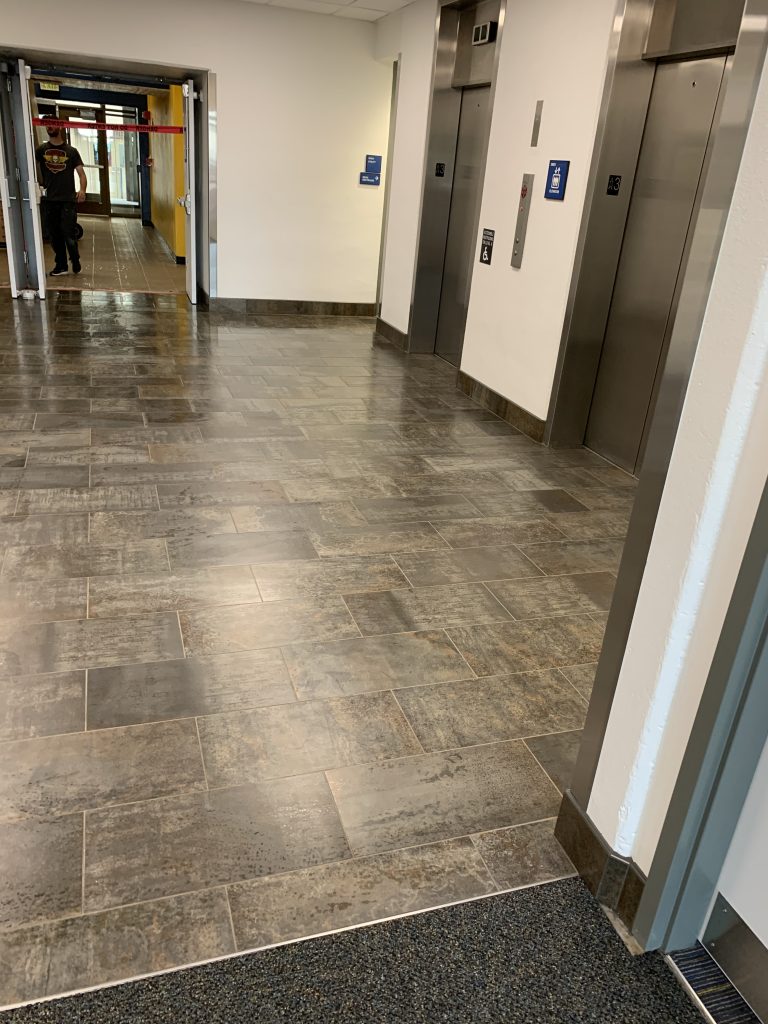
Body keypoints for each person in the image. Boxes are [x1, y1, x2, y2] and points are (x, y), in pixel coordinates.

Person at [35, 115, 87, 277]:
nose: (49, 127)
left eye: (52, 124)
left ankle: (75, 259)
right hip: (49, 200)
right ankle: (61, 265)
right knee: (54, 235)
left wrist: (82, 190)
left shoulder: (71, 151)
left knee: (68, 233)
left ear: (60, 126)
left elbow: (81, 173)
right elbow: (33, 169)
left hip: (67, 200)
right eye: (46, 125)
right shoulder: (41, 151)